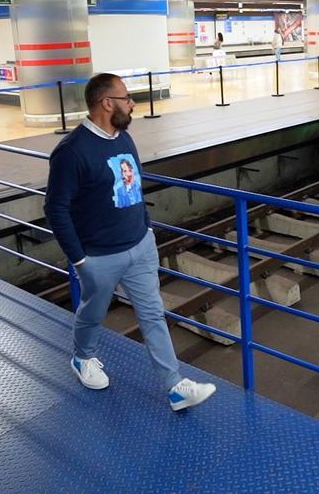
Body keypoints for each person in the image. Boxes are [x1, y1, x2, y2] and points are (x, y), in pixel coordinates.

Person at [44, 72, 217, 411]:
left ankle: (174, 386)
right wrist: (79, 260)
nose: (133, 104)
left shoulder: (123, 137)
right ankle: (83, 357)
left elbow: (135, 187)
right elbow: (55, 208)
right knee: (93, 311)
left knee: (153, 314)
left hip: (139, 246)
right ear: (107, 103)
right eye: (126, 98)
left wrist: (147, 229)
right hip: (99, 255)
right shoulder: (71, 152)